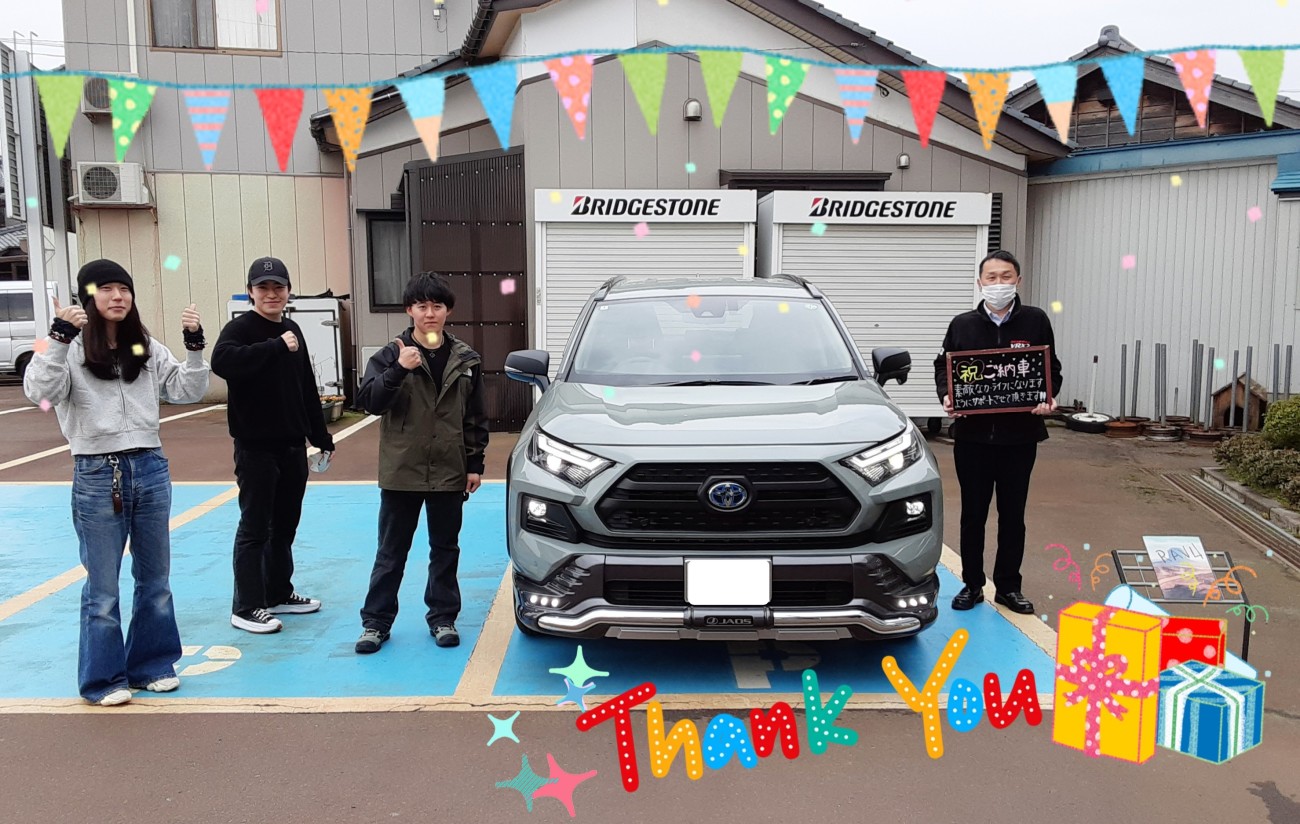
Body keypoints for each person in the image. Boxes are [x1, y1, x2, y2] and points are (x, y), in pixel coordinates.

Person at [23, 259, 209, 706]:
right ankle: (103, 679)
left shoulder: (143, 344)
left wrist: (194, 346)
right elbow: (41, 394)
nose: (118, 296)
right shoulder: (63, 344)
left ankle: (152, 666)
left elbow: (186, 391)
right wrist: (57, 339)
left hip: (150, 466)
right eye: (106, 289)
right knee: (103, 586)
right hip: (96, 471)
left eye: (124, 289)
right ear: (88, 296)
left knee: (155, 579)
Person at [353, 273, 488, 654]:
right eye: (422, 306)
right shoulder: (390, 353)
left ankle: (443, 618)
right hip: (402, 470)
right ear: (409, 310)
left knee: (445, 549)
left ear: (448, 311)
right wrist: (399, 369)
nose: (430, 313)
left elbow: (475, 416)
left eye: (437, 306)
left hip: (449, 469)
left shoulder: (466, 359)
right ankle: (376, 623)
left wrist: (474, 463)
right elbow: (369, 402)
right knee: (391, 552)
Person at [934, 250, 1063, 615]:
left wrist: (1047, 396)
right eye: (991, 277)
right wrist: (947, 395)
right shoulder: (962, 325)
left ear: (1018, 280)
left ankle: (1008, 587)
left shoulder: (1035, 320)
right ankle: (972, 584)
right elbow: (943, 367)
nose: (999, 283)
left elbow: (1050, 367)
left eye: (1006, 276)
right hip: (972, 438)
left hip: (1019, 437)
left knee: (1013, 515)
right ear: (980, 283)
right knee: (973, 514)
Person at [211, 257, 334, 634]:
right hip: (256, 448)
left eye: (278, 287)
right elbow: (223, 362)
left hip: (292, 446)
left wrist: (321, 437)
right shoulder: (240, 329)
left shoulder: (293, 328)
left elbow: (306, 387)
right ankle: (246, 606)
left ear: (288, 291)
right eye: (263, 287)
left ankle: (278, 592)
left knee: (284, 525)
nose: (271, 294)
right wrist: (275, 346)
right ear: (250, 292)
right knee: (255, 527)